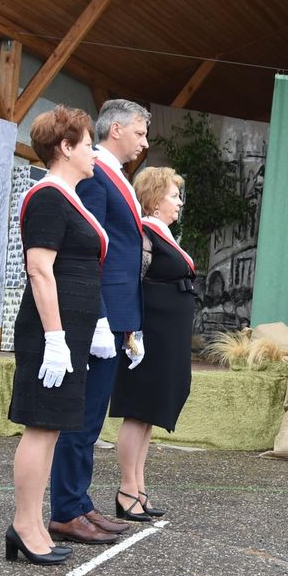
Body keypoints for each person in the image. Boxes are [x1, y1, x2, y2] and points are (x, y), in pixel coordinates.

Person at [48, 99, 150, 544]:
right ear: (117, 131)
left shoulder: (116, 177)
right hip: (96, 318)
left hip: (115, 318)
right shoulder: (96, 177)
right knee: (81, 420)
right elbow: (90, 252)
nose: (145, 142)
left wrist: (130, 324)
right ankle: (66, 510)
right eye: (141, 133)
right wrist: (102, 319)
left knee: (90, 423)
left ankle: (80, 503)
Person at [6, 106, 104, 565]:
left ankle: (30, 523)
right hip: (51, 335)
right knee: (41, 428)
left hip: (69, 334)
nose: (94, 153)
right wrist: (55, 338)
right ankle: (25, 526)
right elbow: (40, 270)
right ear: (65, 147)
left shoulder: (69, 197)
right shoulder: (48, 197)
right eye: (87, 144)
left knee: (52, 429)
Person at [110, 168, 196, 520]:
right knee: (138, 411)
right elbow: (131, 282)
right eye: (174, 195)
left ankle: (139, 488)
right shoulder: (143, 235)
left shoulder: (162, 234)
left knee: (148, 415)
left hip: (166, 338)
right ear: (155, 198)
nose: (179, 202)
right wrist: (132, 333)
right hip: (148, 337)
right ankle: (127, 490)